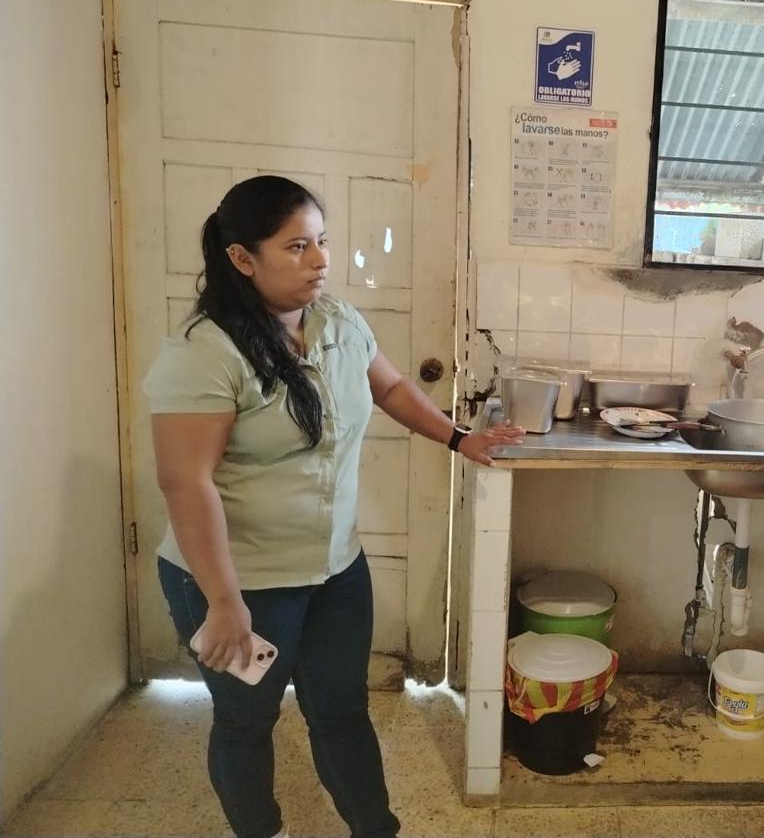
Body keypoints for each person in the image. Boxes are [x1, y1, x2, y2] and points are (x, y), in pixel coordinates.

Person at [144, 175, 523, 838]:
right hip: (238, 579)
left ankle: (376, 830)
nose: (320, 259)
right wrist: (224, 601)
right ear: (242, 258)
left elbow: (392, 388)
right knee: (246, 720)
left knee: (342, 711)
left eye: (321, 241)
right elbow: (186, 482)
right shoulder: (204, 351)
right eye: (297, 246)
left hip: (335, 569)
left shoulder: (338, 321)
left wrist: (459, 438)